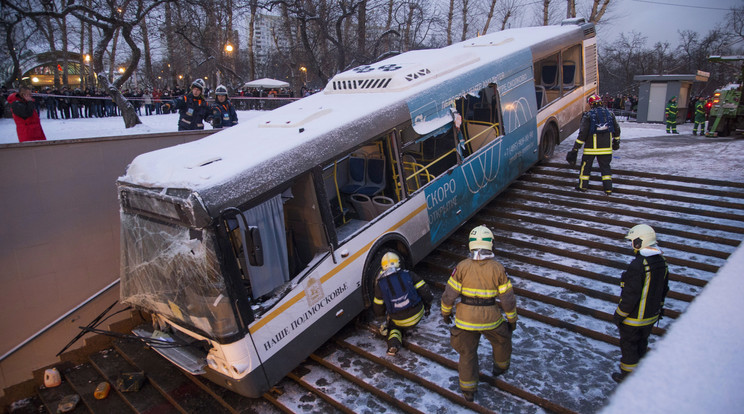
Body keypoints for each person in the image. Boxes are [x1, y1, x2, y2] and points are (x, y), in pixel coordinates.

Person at [441, 225, 518, 402]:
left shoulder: (461, 267)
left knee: (467, 353)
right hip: (491, 319)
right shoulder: (498, 268)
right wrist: (511, 320)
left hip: (464, 320)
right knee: (502, 339)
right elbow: (508, 299)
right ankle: (500, 367)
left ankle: (468, 390)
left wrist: (446, 313)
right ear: (491, 244)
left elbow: (448, 295)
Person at [612, 224, 669, 383]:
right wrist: (660, 309)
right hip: (651, 317)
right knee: (641, 345)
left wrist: (619, 315)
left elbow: (631, 296)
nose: (632, 245)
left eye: (633, 242)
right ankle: (641, 374)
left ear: (639, 242)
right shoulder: (662, 262)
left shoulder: (638, 265)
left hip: (634, 319)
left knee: (629, 347)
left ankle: (627, 378)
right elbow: (664, 289)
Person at [373, 252, 432, 356]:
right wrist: (427, 304)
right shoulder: (408, 274)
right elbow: (425, 290)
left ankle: (393, 345)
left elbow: (378, 306)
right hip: (418, 313)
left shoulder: (380, 284)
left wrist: (381, 317)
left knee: (393, 327)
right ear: (398, 263)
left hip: (399, 320)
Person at [566, 94, 621, 195]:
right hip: (606, 149)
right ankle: (608, 189)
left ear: (591, 104)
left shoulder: (588, 115)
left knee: (585, 168)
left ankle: (582, 187)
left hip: (590, 149)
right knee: (606, 169)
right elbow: (617, 129)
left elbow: (582, 134)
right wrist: (616, 141)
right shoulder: (610, 114)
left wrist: (575, 148)